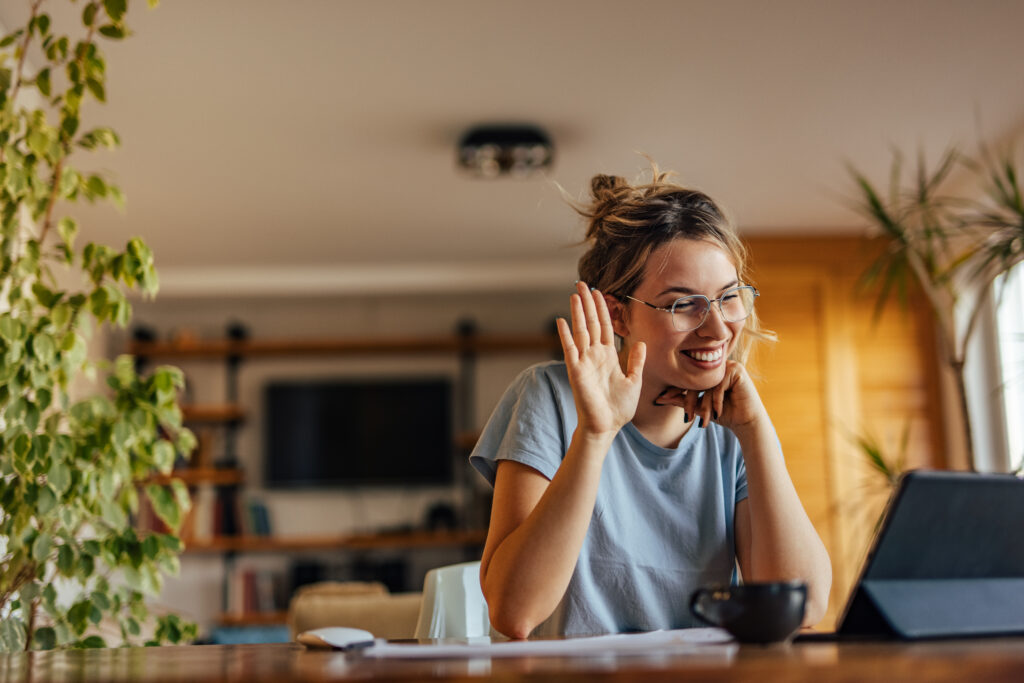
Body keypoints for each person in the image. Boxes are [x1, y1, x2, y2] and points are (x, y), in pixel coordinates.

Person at [469, 164, 832, 639]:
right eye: (684, 305)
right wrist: (596, 435)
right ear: (618, 315)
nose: (718, 327)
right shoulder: (549, 398)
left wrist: (757, 432)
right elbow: (514, 613)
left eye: (728, 298)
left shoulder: (734, 432)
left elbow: (802, 606)